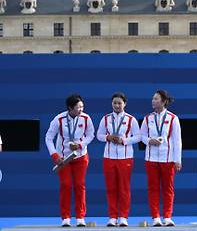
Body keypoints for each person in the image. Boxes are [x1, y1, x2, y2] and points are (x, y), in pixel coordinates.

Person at [45, 94, 95, 227]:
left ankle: (80, 217)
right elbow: (49, 137)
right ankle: (65, 217)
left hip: (80, 156)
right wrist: (54, 155)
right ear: (70, 108)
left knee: (80, 185)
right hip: (63, 158)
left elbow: (91, 135)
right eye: (78, 107)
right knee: (65, 185)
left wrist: (80, 145)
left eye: (82, 106)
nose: (81, 109)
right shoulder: (59, 119)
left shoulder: (86, 118)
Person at [96, 92, 141, 227]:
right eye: (114, 103)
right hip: (109, 157)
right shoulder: (106, 119)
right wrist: (107, 138)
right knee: (111, 188)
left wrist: (124, 141)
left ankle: (123, 217)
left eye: (119, 103)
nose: (116, 105)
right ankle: (112, 216)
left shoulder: (130, 119)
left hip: (125, 157)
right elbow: (98, 135)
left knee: (124, 188)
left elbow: (138, 136)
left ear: (125, 104)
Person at [140, 90, 182, 227]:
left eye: (156, 99)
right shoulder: (147, 118)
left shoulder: (172, 118)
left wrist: (178, 159)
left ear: (163, 102)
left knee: (168, 188)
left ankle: (167, 217)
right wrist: (149, 141)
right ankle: (155, 217)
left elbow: (177, 140)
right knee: (153, 188)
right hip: (151, 158)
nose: (153, 101)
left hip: (168, 158)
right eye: (152, 98)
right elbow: (142, 136)